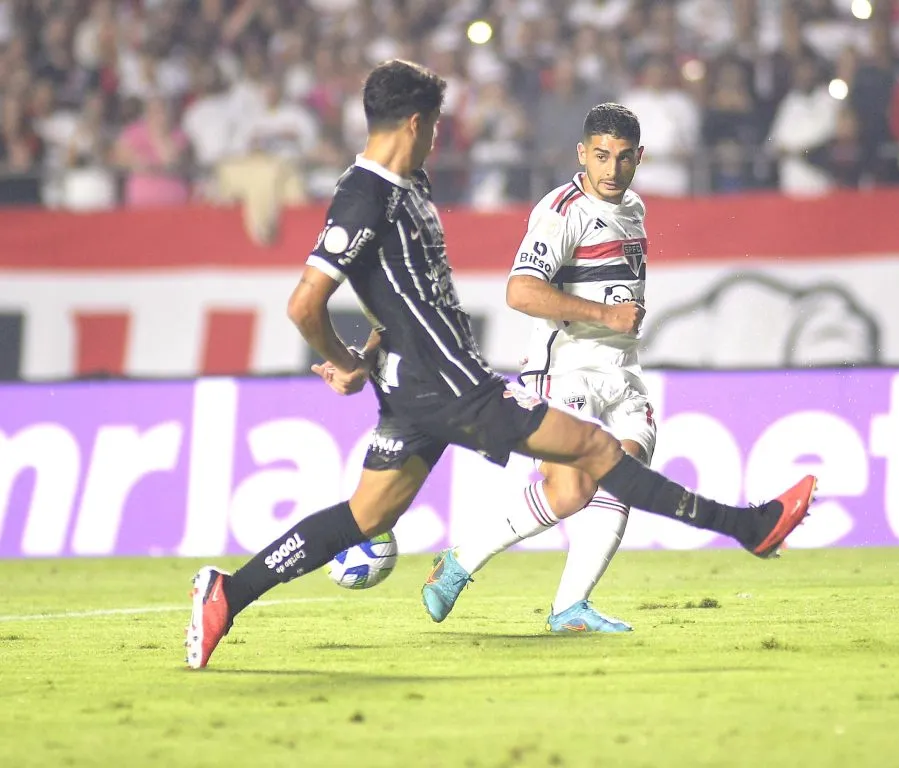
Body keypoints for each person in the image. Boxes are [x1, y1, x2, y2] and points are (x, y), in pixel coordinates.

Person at [185, 60, 816, 670]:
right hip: (451, 384)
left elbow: (404, 293)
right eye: (435, 124)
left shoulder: (410, 186)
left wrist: (371, 350)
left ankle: (227, 595)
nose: (438, 136)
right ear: (414, 123)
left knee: (365, 516)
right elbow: (304, 305)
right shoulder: (364, 194)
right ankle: (748, 526)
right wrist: (343, 362)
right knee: (596, 452)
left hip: (418, 387)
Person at [421, 103, 658, 633]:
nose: (611, 170)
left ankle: (570, 607)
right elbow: (521, 291)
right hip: (565, 369)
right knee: (571, 491)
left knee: (625, 477)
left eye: (623, 159)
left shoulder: (635, 208)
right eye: (601, 156)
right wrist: (606, 315)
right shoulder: (560, 210)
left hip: (621, 371)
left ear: (639, 158)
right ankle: (459, 563)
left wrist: (617, 322)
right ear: (582, 154)